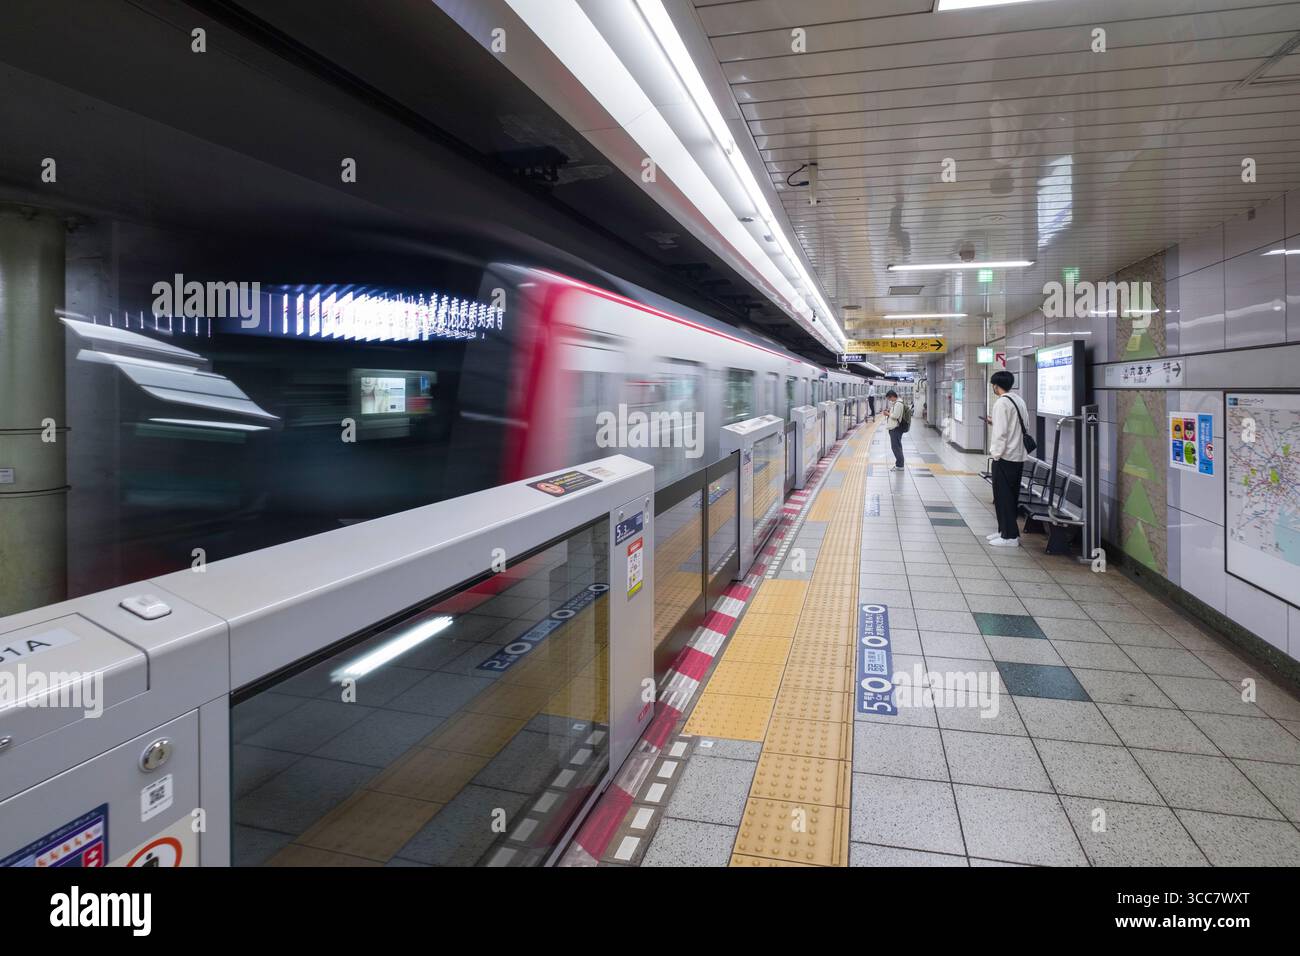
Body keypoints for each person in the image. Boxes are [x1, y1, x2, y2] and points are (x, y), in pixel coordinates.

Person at [986, 370, 1030, 547]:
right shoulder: (1018, 400)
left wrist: (995, 455)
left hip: (1005, 456)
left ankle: (1010, 536)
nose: (993, 388)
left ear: (996, 386)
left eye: (993, 386)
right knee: (1011, 496)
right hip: (1017, 455)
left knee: (1002, 496)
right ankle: (1004, 531)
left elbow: (1001, 433)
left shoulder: (1001, 403)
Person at [884, 389, 908, 471]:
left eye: (889, 399)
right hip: (895, 428)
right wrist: (889, 412)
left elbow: (895, 416)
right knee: (897, 446)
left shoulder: (898, 404)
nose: (889, 400)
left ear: (893, 396)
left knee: (896, 447)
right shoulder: (897, 403)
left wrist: (888, 414)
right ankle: (899, 464)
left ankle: (900, 465)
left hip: (896, 428)